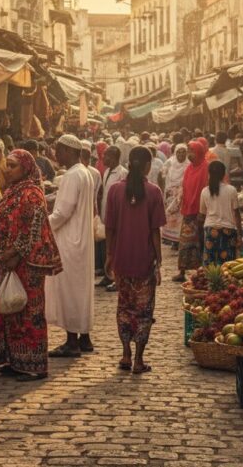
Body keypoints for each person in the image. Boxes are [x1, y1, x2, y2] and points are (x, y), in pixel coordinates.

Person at [0, 149, 63, 381]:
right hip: (6, 262)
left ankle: (32, 364)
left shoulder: (31, 193)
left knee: (27, 312)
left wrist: (14, 253)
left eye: (12, 166)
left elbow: (33, 227)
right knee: (8, 310)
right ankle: (12, 359)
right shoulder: (12, 191)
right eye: (7, 165)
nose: (7, 170)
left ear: (26, 168)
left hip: (25, 263)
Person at [104, 146, 165, 374]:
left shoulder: (115, 191)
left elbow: (109, 228)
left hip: (121, 261)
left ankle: (125, 354)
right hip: (144, 262)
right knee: (143, 311)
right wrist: (159, 261)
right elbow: (155, 232)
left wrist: (109, 256)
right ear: (148, 165)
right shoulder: (154, 192)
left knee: (125, 307)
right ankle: (139, 359)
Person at [46, 134, 97, 357]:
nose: (56, 154)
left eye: (58, 150)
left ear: (68, 151)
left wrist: (41, 224)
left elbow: (62, 213)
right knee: (81, 289)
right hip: (81, 240)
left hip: (70, 240)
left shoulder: (71, 175)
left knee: (69, 290)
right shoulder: (85, 172)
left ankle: (71, 341)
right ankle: (84, 337)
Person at [173, 140, 208, 282]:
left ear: (199, 152)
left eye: (192, 151)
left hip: (200, 211)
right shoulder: (189, 169)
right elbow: (185, 187)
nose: (189, 155)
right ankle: (182, 271)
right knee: (185, 242)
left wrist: (202, 210)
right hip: (188, 210)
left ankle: (200, 272)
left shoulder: (206, 168)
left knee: (199, 242)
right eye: (189, 151)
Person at [200, 161, 242, 266]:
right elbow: (237, 214)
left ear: (209, 174)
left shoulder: (205, 191)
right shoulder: (231, 190)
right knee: (227, 265)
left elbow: (202, 214)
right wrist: (240, 235)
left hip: (210, 230)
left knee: (211, 265)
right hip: (227, 231)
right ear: (224, 174)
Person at [97, 146, 127, 290]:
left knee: (116, 247)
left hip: (116, 216)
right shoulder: (107, 171)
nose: (104, 159)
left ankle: (116, 278)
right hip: (105, 214)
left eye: (106, 156)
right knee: (106, 246)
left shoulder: (122, 173)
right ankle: (107, 275)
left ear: (114, 157)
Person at [161, 143, 188, 246]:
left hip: (181, 195)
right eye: (178, 152)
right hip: (170, 194)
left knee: (180, 218)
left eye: (183, 152)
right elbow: (162, 175)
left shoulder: (188, 164)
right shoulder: (169, 162)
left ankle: (178, 240)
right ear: (175, 153)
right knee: (170, 217)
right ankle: (170, 238)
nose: (181, 154)